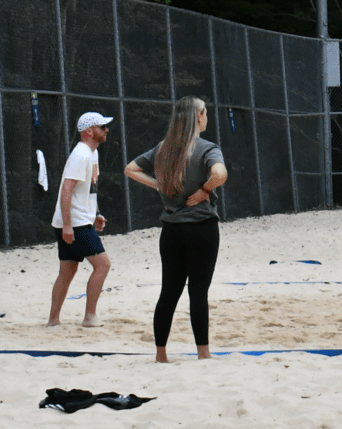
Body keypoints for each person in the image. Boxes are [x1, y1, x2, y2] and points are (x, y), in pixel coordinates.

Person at [124, 96, 228, 362]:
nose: (207, 116)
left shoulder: (163, 149)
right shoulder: (207, 148)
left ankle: (161, 355)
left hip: (171, 231)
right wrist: (205, 189)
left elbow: (130, 169)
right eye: (205, 112)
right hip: (202, 228)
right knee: (198, 292)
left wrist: (158, 184)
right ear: (198, 117)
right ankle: (203, 354)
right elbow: (220, 173)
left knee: (169, 291)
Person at [47, 112, 114, 328]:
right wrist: (68, 225)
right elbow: (66, 190)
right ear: (89, 131)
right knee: (102, 265)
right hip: (74, 223)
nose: (106, 130)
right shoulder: (81, 155)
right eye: (102, 126)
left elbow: (89, 190)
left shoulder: (91, 154)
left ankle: (53, 320)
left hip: (78, 220)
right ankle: (89, 317)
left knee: (67, 271)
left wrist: (96, 214)